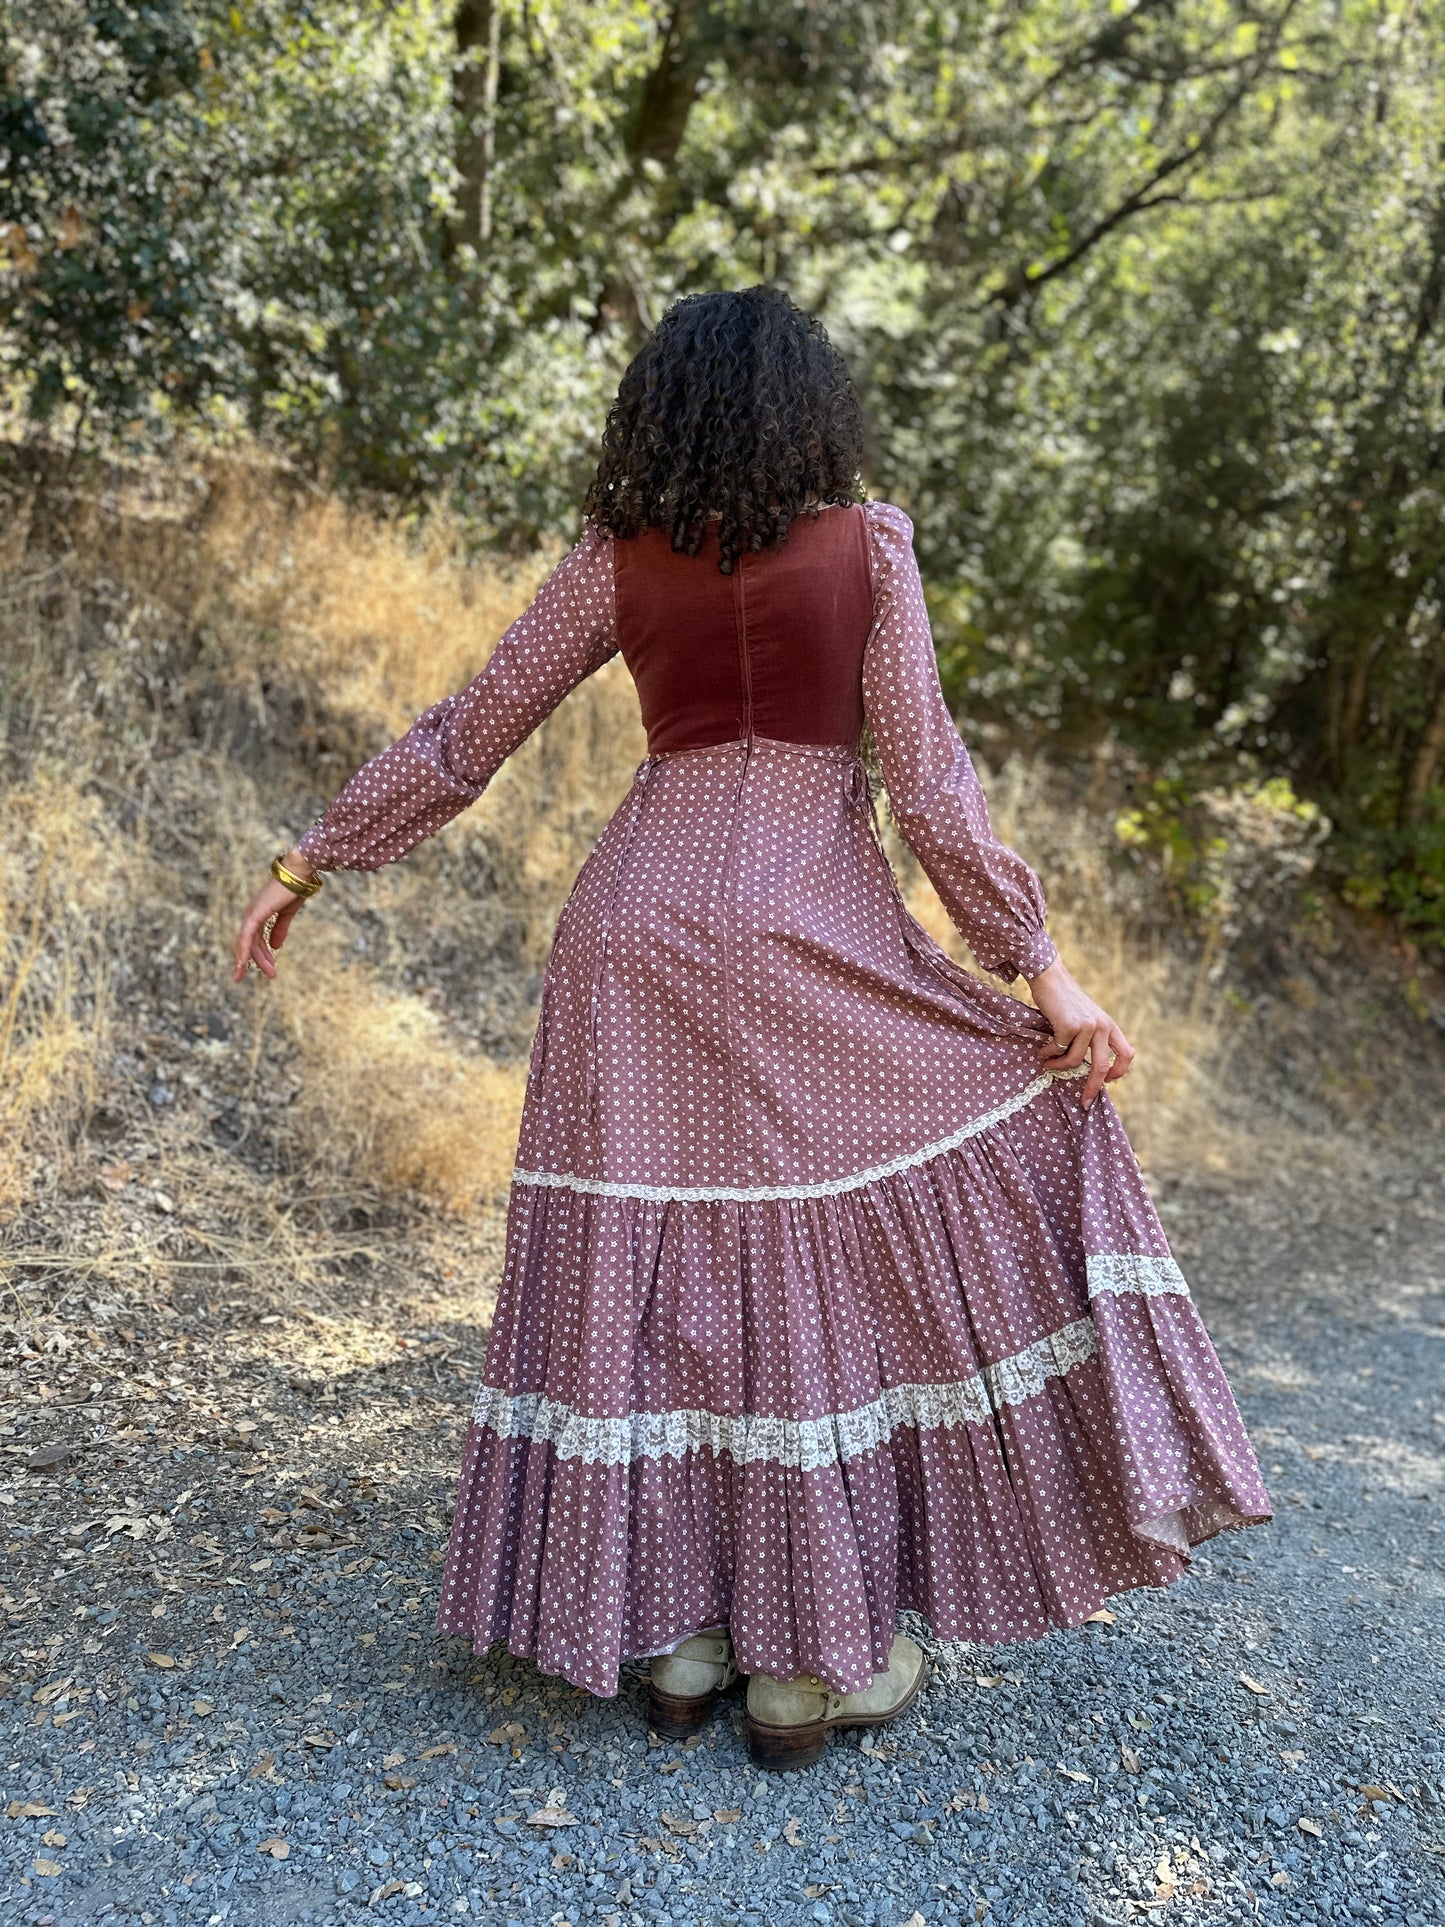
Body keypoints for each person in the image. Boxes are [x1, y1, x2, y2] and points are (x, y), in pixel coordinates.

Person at [232, 286, 1270, 1772]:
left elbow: (469, 734)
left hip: (628, 939)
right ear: (810, 409)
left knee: (664, 1278)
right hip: (803, 926)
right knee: (810, 1256)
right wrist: (1038, 968)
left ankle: (679, 1642)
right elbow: (929, 792)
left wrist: (310, 860)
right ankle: (808, 1666)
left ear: (660, 411)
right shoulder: (870, 547)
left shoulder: (615, 557)